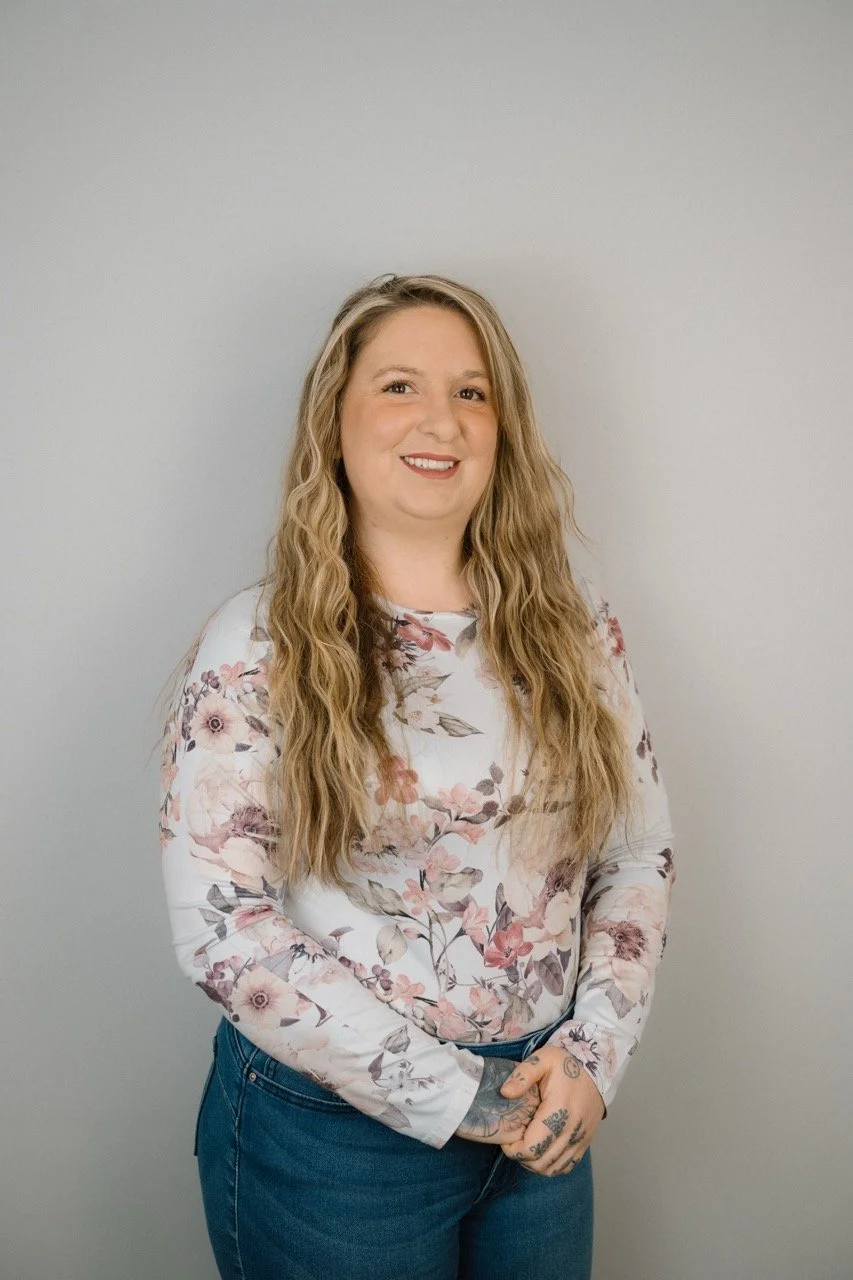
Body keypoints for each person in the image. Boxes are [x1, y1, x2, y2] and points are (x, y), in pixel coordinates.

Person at [156, 272, 676, 1280]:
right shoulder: (259, 641)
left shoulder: (570, 628)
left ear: (502, 428)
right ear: (334, 419)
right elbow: (221, 921)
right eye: (400, 384)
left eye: (471, 391)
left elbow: (635, 847)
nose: (440, 417)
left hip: (544, 1113)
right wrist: (458, 1097)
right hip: (333, 1139)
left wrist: (593, 1053)